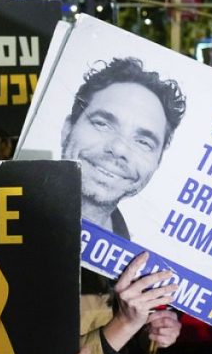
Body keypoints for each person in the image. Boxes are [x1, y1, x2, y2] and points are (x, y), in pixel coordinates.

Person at [60, 56, 187, 238]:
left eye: (143, 142)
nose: (119, 149)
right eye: (102, 124)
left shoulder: (137, 258)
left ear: (157, 163)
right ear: (67, 129)